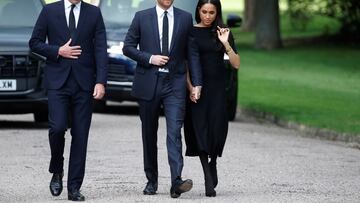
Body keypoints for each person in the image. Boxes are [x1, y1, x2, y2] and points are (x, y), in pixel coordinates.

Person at [122, 0, 202, 199]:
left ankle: (176, 181)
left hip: (174, 83)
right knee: (149, 133)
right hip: (149, 81)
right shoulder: (141, 17)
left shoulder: (185, 18)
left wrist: (197, 83)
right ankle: (152, 180)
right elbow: (128, 47)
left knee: (175, 131)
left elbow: (191, 52)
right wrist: (150, 58)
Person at [29, 0, 107, 201]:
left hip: (84, 84)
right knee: (57, 127)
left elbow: (100, 48)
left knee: (80, 136)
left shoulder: (94, 13)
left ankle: (74, 188)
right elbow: (34, 42)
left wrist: (100, 82)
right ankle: (57, 168)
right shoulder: (49, 11)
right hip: (58, 82)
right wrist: (57, 51)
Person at [184, 0, 240, 197]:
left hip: (217, 88)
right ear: (198, 11)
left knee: (216, 129)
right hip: (198, 88)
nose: (207, 16)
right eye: (204, 12)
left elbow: (236, 64)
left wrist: (225, 43)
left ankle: (213, 161)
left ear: (217, 13)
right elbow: (187, 64)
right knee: (199, 129)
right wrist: (191, 87)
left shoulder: (223, 32)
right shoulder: (190, 31)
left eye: (211, 12)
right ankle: (207, 176)